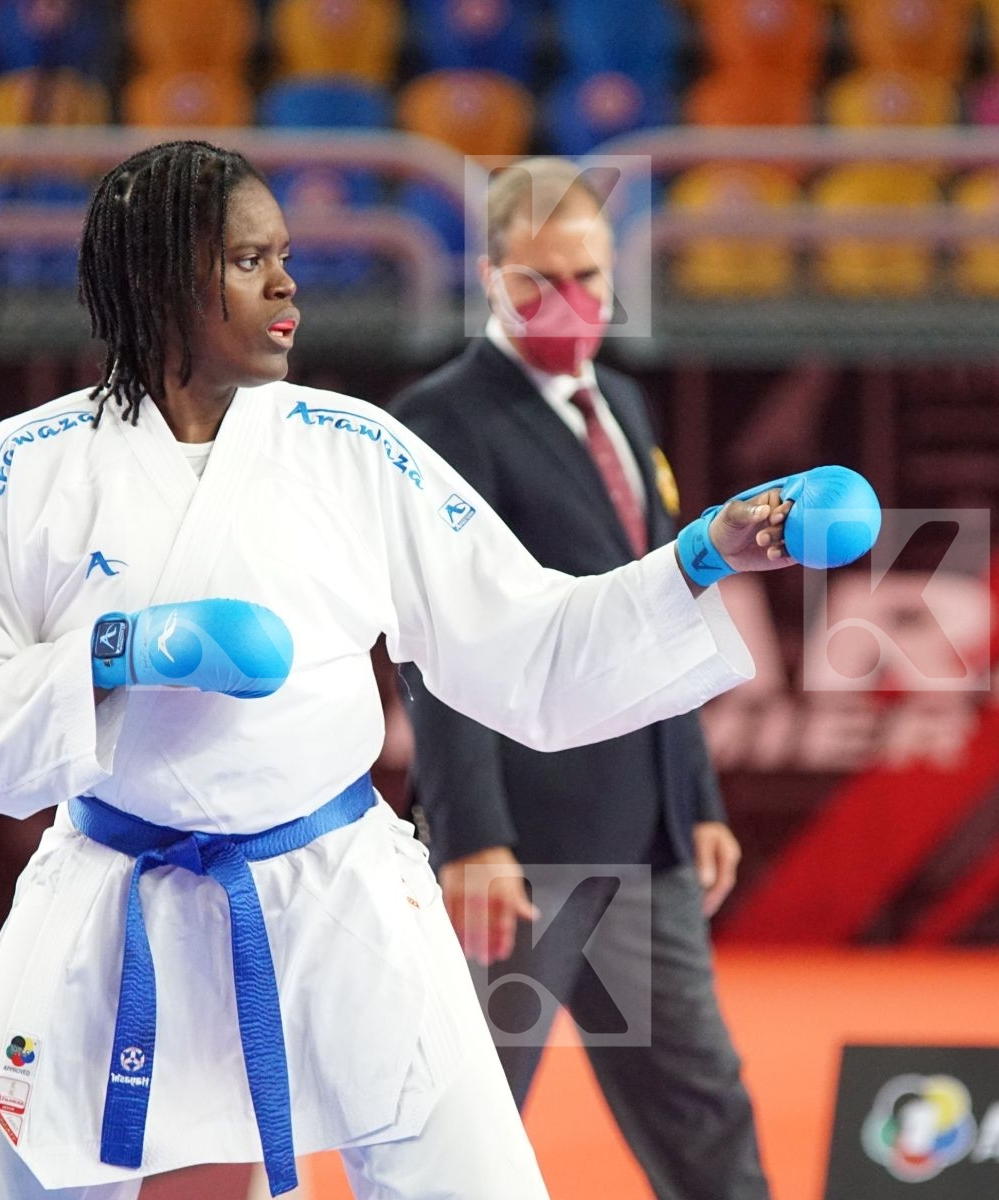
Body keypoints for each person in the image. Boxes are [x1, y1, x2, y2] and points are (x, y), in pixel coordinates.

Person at [0, 140, 823, 1199]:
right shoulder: (26, 466)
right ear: (161, 280)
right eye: (250, 261)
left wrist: (698, 559)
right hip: (113, 898)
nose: (289, 284)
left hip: (339, 891)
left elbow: (534, 643)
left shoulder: (353, 448)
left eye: (283, 255)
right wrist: (116, 656)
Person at [391, 158, 771, 1200]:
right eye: (539, 280)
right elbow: (437, 645)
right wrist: (470, 837)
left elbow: (664, 613)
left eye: (590, 277)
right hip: (520, 855)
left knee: (705, 1113)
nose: (571, 303)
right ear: (490, 277)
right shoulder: (442, 422)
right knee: (464, 1129)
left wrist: (692, 798)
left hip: (644, 842)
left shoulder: (628, 408)